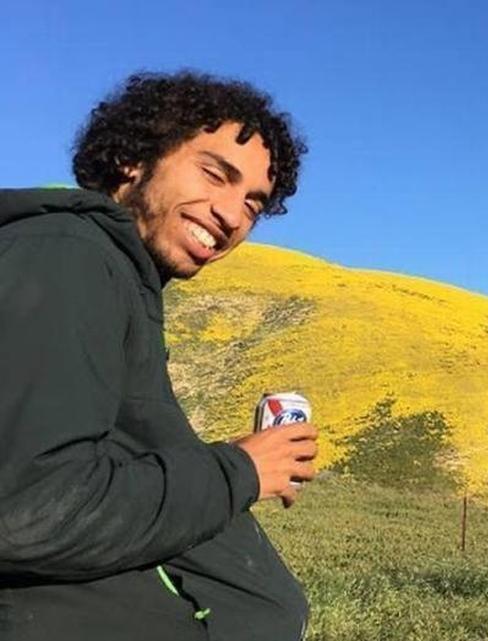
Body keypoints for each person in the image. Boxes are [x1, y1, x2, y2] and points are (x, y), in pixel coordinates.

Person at [0, 71, 316, 641]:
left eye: (252, 203)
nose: (231, 216)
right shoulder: (69, 258)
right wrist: (241, 471)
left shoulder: (115, 274)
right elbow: (31, 510)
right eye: (214, 174)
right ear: (133, 159)